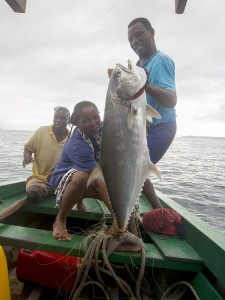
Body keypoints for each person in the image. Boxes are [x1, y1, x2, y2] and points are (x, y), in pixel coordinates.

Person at [128, 17, 177, 209]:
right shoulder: (139, 64)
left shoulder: (161, 61)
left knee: (135, 170)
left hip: (161, 127)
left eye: (139, 34)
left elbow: (171, 100)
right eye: (130, 39)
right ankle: (158, 211)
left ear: (152, 33)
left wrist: (145, 85)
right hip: (142, 128)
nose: (134, 41)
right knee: (135, 171)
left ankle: (154, 214)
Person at [48, 101, 114, 241]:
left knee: (93, 179)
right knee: (82, 178)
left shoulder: (101, 129)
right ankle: (60, 220)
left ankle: (79, 199)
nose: (93, 123)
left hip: (84, 171)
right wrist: (117, 216)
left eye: (96, 117)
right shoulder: (77, 144)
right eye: (85, 121)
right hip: (62, 178)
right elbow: (98, 180)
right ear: (77, 123)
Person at [22, 106, 70, 202]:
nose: (58, 120)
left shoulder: (72, 138)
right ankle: (53, 190)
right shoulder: (41, 131)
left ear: (69, 121)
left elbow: (74, 162)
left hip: (61, 177)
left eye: (63, 118)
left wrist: (58, 172)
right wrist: (27, 156)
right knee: (32, 194)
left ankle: (55, 188)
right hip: (39, 178)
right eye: (56, 117)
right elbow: (28, 148)